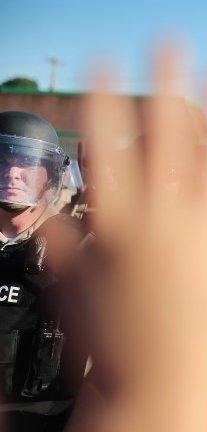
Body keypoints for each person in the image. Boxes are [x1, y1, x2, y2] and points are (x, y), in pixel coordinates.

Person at [0, 111, 93, 431]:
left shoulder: (77, 248)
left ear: (49, 174)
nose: (13, 173)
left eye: (26, 163)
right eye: (4, 160)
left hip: (44, 419)